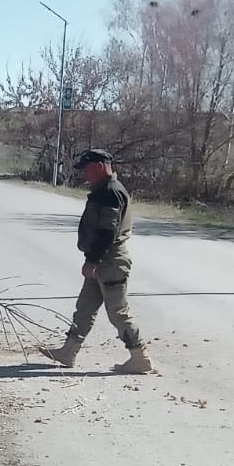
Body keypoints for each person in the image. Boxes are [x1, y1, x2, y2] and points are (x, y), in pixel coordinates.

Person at [40, 149, 154, 374]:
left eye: (87, 169)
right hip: (101, 259)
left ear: (100, 167)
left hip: (109, 261)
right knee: (85, 307)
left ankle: (140, 356)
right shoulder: (104, 190)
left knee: (118, 312)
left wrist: (92, 260)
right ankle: (69, 351)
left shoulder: (110, 192)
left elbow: (107, 231)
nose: (85, 174)